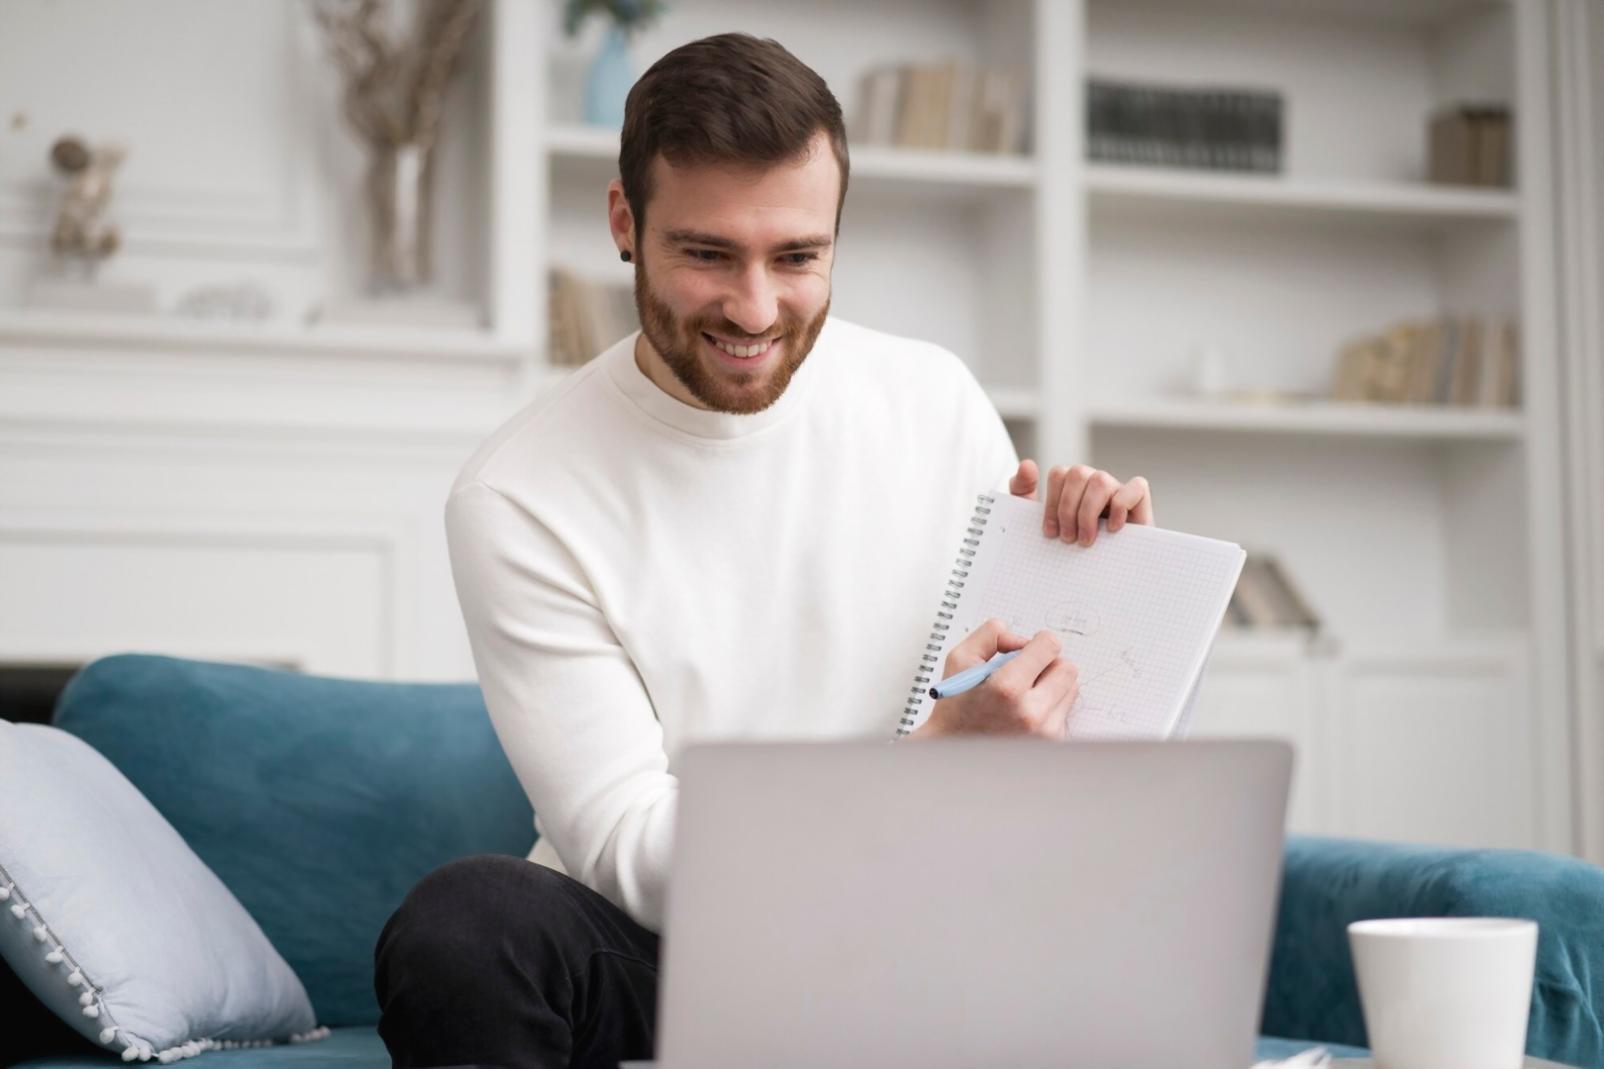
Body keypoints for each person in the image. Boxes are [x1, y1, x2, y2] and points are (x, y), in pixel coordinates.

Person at [374, 31, 1155, 1069]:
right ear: (625, 222)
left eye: (795, 257)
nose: (753, 308)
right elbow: (633, 856)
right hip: (681, 959)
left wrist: (1112, 588)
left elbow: (1053, 762)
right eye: (706, 254)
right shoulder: (519, 492)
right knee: (464, 928)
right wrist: (925, 771)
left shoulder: (933, 401)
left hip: (922, 939)